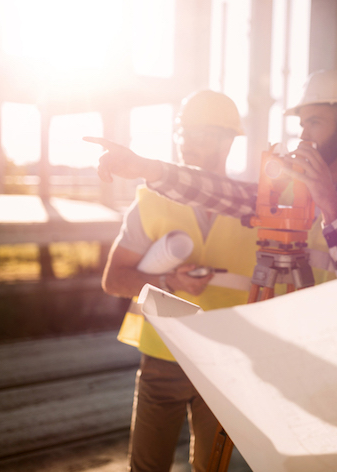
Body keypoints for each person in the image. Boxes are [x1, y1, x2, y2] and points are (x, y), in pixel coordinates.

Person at [89, 70, 337, 283]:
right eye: (301, 124)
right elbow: (223, 193)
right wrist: (145, 168)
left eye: (314, 122)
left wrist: (328, 201)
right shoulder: (290, 191)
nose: (303, 134)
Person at [97, 91, 258, 472]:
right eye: (184, 134)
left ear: (228, 140)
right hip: (162, 357)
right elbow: (113, 279)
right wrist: (168, 280)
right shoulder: (151, 201)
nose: (188, 143)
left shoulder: (253, 207)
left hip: (226, 360)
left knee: (211, 468)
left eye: (200, 134)